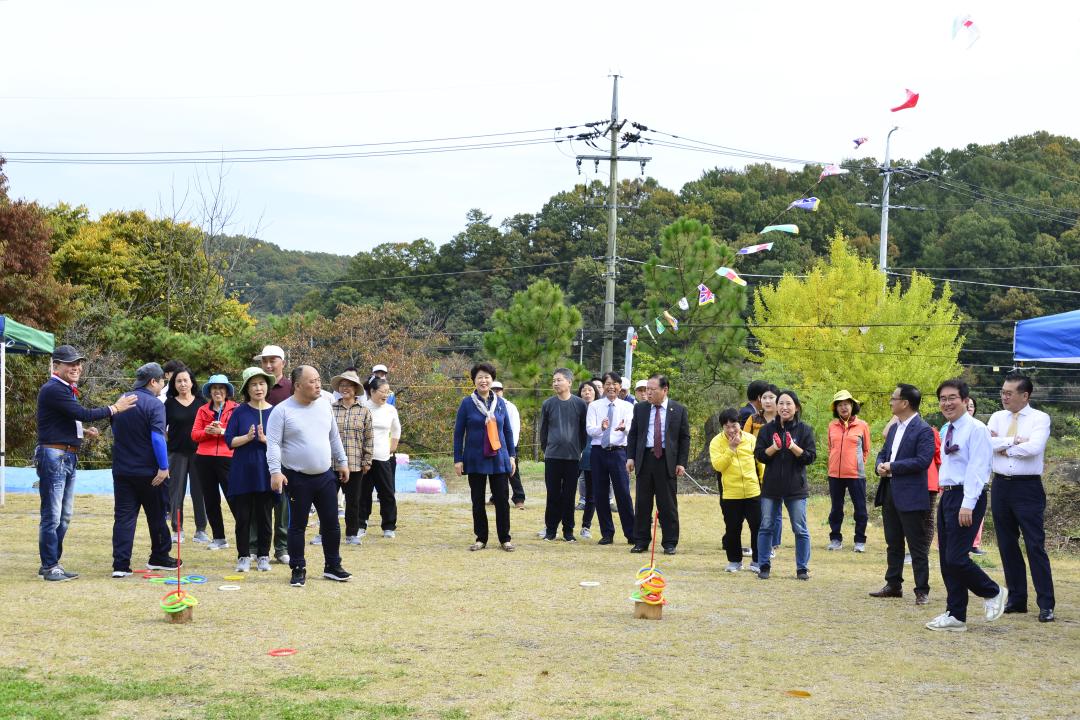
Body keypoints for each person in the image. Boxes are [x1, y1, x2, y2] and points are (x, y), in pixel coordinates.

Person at [35, 344, 137, 581]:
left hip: (66, 455)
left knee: (64, 514)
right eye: (71, 363)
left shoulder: (64, 389)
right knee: (53, 514)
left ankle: (52, 562)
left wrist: (81, 432)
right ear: (56, 366)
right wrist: (115, 408)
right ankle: (50, 565)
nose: (76, 367)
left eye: (78, 363)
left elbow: (68, 417)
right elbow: (82, 413)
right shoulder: (54, 389)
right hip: (55, 456)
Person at [925, 379, 1008, 632]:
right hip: (948, 494)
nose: (947, 403)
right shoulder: (946, 428)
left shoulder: (976, 429)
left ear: (964, 400)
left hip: (967, 496)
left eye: (952, 398)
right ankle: (955, 614)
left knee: (957, 558)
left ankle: (993, 591)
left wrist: (968, 504)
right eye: (943, 399)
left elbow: (978, 467)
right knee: (946, 559)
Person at [267, 365, 351, 587]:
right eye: (312, 381)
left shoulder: (325, 406)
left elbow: (333, 437)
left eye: (318, 379)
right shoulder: (282, 411)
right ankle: (298, 567)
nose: (317, 384)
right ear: (297, 385)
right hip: (297, 477)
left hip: (325, 476)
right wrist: (275, 471)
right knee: (298, 525)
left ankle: (332, 565)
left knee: (331, 523)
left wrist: (342, 462)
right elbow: (273, 444)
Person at [987, 373, 1055, 622]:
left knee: (1034, 545)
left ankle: (1046, 603)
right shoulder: (996, 417)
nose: (1004, 397)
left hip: (1027, 488)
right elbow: (987, 443)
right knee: (1007, 544)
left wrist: (1003, 447)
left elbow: (1034, 448)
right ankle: (1017, 599)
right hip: (1001, 486)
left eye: (1009, 393)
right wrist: (1013, 442)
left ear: (1025, 395)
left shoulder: (1040, 418)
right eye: (1003, 392)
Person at [110, 363, 180, 576]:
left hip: (122, 469)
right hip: (150, 472)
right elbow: (157, 438)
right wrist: (163, 467)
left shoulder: (121, 401)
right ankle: (159, 556)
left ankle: (121, 565)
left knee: (123, 517)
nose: (163, 385)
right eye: (162, 381)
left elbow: (115, 430)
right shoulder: (155, 404)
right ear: (153, 381)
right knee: (157, 515)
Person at [870, 384, 936, 605]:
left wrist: (892, 466)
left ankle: (922, 589)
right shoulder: (895, 427)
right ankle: (893, 584)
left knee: (916, 544)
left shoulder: (923, 429)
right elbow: (883, 453)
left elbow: (922, 461)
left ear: (905, 403)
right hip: (889, 491)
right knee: (893, 542)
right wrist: (880, 464)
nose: (891, 401)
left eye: (893, 398)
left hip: (911, 495)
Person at [453, 362, 516, 552]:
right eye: (480, 377)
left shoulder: (500, 403)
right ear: (474, 380)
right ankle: (481, 538)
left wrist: (512, 455)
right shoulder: (467, 403)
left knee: (502, 500)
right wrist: (458, 458)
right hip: (475, 458)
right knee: (478, 500)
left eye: (487, 377)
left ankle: (505, 538)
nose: (484, 380)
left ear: (492, 380)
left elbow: (508, 430)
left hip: (499, 457)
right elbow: (458, 432)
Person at [754, 389, 816, 580]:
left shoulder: (805, 430)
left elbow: (810, 457)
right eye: (781, 403)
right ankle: (763, 565)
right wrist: (774, 447)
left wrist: (792, 447)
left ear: (796, 407)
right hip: (771, 486)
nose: (784, 407)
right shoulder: (767, 429)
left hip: (796, 487)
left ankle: (802, 568)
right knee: (766, 526)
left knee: (800, 528)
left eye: (789, 404)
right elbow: (759, 455)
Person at [626, 375, 690, 555]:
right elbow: (633, 434)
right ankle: (641, 540)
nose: (648, 393)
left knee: (667, 504)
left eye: (652, 390)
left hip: (667, 461)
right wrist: (630, 457)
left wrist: (681, 463)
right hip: (645, 459)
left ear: (665, 390)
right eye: (647, 389)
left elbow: (684, 438)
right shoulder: (640, 408)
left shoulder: (677, 409)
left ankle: (669, 542)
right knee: (642, 503)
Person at [224, 367, 278, 573]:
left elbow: (281, 444)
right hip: (242, 472)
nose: (258, 388)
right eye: (254, 384)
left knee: (265, 516)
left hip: (266, 472)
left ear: (267, 386)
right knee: (243, 517)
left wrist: (266, 441)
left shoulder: (275, 412)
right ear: (247, 388)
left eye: (262, 384)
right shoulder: (239, 411)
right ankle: (243, 556)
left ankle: (264, 555)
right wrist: (247, 438)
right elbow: (229, 440)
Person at [585, 372, 636, 546]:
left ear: (620, 387)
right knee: (600, 493)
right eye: (608, 383)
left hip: (619, 452)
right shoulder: (595, 406)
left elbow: (632, 429)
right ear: (603, 386)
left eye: (615, 383)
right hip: (598, 451)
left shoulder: (627, 406)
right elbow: (590, 430)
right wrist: (601, 427)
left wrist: (625, 428)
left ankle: (631, 533)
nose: (611, 386)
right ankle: (607, 533)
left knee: (623, 492)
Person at [709, 407, 762, 572]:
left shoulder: (751, 439)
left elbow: (761, 464)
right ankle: (734, 561)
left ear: (740, 424)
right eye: (727, 426)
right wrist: (731, 449)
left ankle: (758, 561)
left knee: (758, 527)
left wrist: (762, 483)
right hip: (731, 493)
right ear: (722, 427)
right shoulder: (716, 442)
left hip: (753, 491)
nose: (731, 430)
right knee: (732, 528)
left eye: (734, 425)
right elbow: (718, 465)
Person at [540, 368, 589, 542]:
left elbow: (584, 431)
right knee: (552, 494)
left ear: (569, 382)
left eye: (559, 380)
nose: (555, 383)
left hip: (573, 457)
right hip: (552, 456)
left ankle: (568, 531)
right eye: (554, 380)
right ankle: (551, 530)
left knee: (569, 495)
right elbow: (543, 430)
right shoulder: (548, 404)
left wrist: (578, 449)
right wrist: (547, 449)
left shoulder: (580, 404)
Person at [191, 374, 238, 550]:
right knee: (211, 499)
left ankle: (247, 536)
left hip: (228, 458)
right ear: (210, 391)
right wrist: (208, 431)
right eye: (214, 388)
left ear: (227, 391)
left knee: (234, 497)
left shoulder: (236, 409)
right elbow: (194, 435)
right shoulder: (202, 410)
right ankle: (219, 537)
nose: (218, 391)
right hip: (204, 459)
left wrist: (222, 431)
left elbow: (238, 433)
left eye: (221, 388)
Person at [255, 344, 293, 565]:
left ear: (283, 363)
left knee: (282, 503)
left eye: (273, 360)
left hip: (284, 453)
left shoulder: (289, 387)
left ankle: (282, 547)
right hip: (258, 454)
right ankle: (255, 548)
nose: (268, 365)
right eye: (264, 361)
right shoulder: (256, 385)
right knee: (257, 503)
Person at [164, 367, 209, 544]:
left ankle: (201, 529)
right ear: (174, 384)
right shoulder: (169, 404)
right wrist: (170, 441)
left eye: (185, 380)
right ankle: (177, 529)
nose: (182, 384)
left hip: (199, 453)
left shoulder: (201, 402)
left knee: (200, 492)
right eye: (178, 381)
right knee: (176, 492)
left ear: (192, 382)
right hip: (176, 453)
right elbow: (161, 428)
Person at [330, 370, 374, 546]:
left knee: (353, 501)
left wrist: (367, 460)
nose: (344, 388)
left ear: (356, 389)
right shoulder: (331, 408)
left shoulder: (364, 411)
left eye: (348, 385)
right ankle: (325, 533)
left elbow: (369, 438)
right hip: (331, 463)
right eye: (342, 385)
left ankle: (351, 533)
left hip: (355, 463)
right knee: (328, 500)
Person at [825, 390, 872, 552]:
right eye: (839, 405)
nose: (843, 407)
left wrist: (857, 464)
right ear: (836, 408)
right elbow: (830, 448)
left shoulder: (862, 425)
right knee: (836, 509)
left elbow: (866, 450)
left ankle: (860, 540)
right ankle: (835, 539)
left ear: (852, 405)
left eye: (846, 404)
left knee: (860, 509)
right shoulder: (832, 425)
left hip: (855, 474)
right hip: (834, 474)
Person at [361, 376, 401, 538]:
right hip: (365, 458)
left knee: (387, 492)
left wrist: (392, 447)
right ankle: (360, 524)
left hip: (384, 457)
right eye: (382, 391)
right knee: (363, 493)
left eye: (387, 392)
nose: (385, 395)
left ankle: (389, 526)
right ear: (372, 391)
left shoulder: (390, 409)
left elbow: (396, 430)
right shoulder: (363, 407)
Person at [744, 384, 781, 557]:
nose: (766, 401)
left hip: (777, 467)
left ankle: (773, 545)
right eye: (764, 398)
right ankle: (761, 543)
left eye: (771, 398)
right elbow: (744, 440)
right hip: (755, 467)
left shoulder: (783, 420)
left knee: (777, 508)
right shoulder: (753, 419)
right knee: (761, 508)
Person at [492, 381, 525, 508]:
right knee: (495, 472)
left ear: (502, 390)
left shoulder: (510, 406)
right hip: (493, 444)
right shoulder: (487, 405)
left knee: (512, 471)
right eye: (493, 389)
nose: (496, 392)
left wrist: (512, 449)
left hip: (508, 445)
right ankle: (495, 497)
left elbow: (514, 428)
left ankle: (519, 498)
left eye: (498, 389)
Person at [965, 396, 987, 556]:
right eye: (967, 405)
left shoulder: (980, 428)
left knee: (977, 516)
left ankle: (974, 543)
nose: (969, 408)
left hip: (977, 481)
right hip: (957, 482)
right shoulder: (948, 427)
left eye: (972, 406)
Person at [575, 381, 597, 537]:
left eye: (590, 390)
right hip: (574, 455)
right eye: (584, 390)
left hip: (592, 455)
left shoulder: (600, 409)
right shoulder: (575, 407)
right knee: (566, 491)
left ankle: (586, 527)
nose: (587, 393)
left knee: (591, 494)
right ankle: (558, 525)